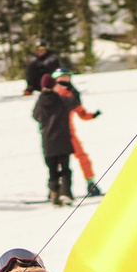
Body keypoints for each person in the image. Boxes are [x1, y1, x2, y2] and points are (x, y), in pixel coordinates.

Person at [49, 70, 105, 199]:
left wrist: (93, 115)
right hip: (54, 135)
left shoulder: (73, 95)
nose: (65, 80)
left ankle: (90, 182)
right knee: (56, 163)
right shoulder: (51, 95)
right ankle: (55, 189)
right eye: (62, 78)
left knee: (82, 157)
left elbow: (82, 113)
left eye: (67, 78)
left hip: (69, 134)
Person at [33, 73, 79, 206]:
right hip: (63, 139)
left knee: (52, 171)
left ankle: (54, 195)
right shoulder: (61, 101)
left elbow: (36, 116)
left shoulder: (40, 102)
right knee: (65, 169)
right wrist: (70, 87)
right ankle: (66, 193)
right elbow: (75, 102)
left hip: (48, 142)